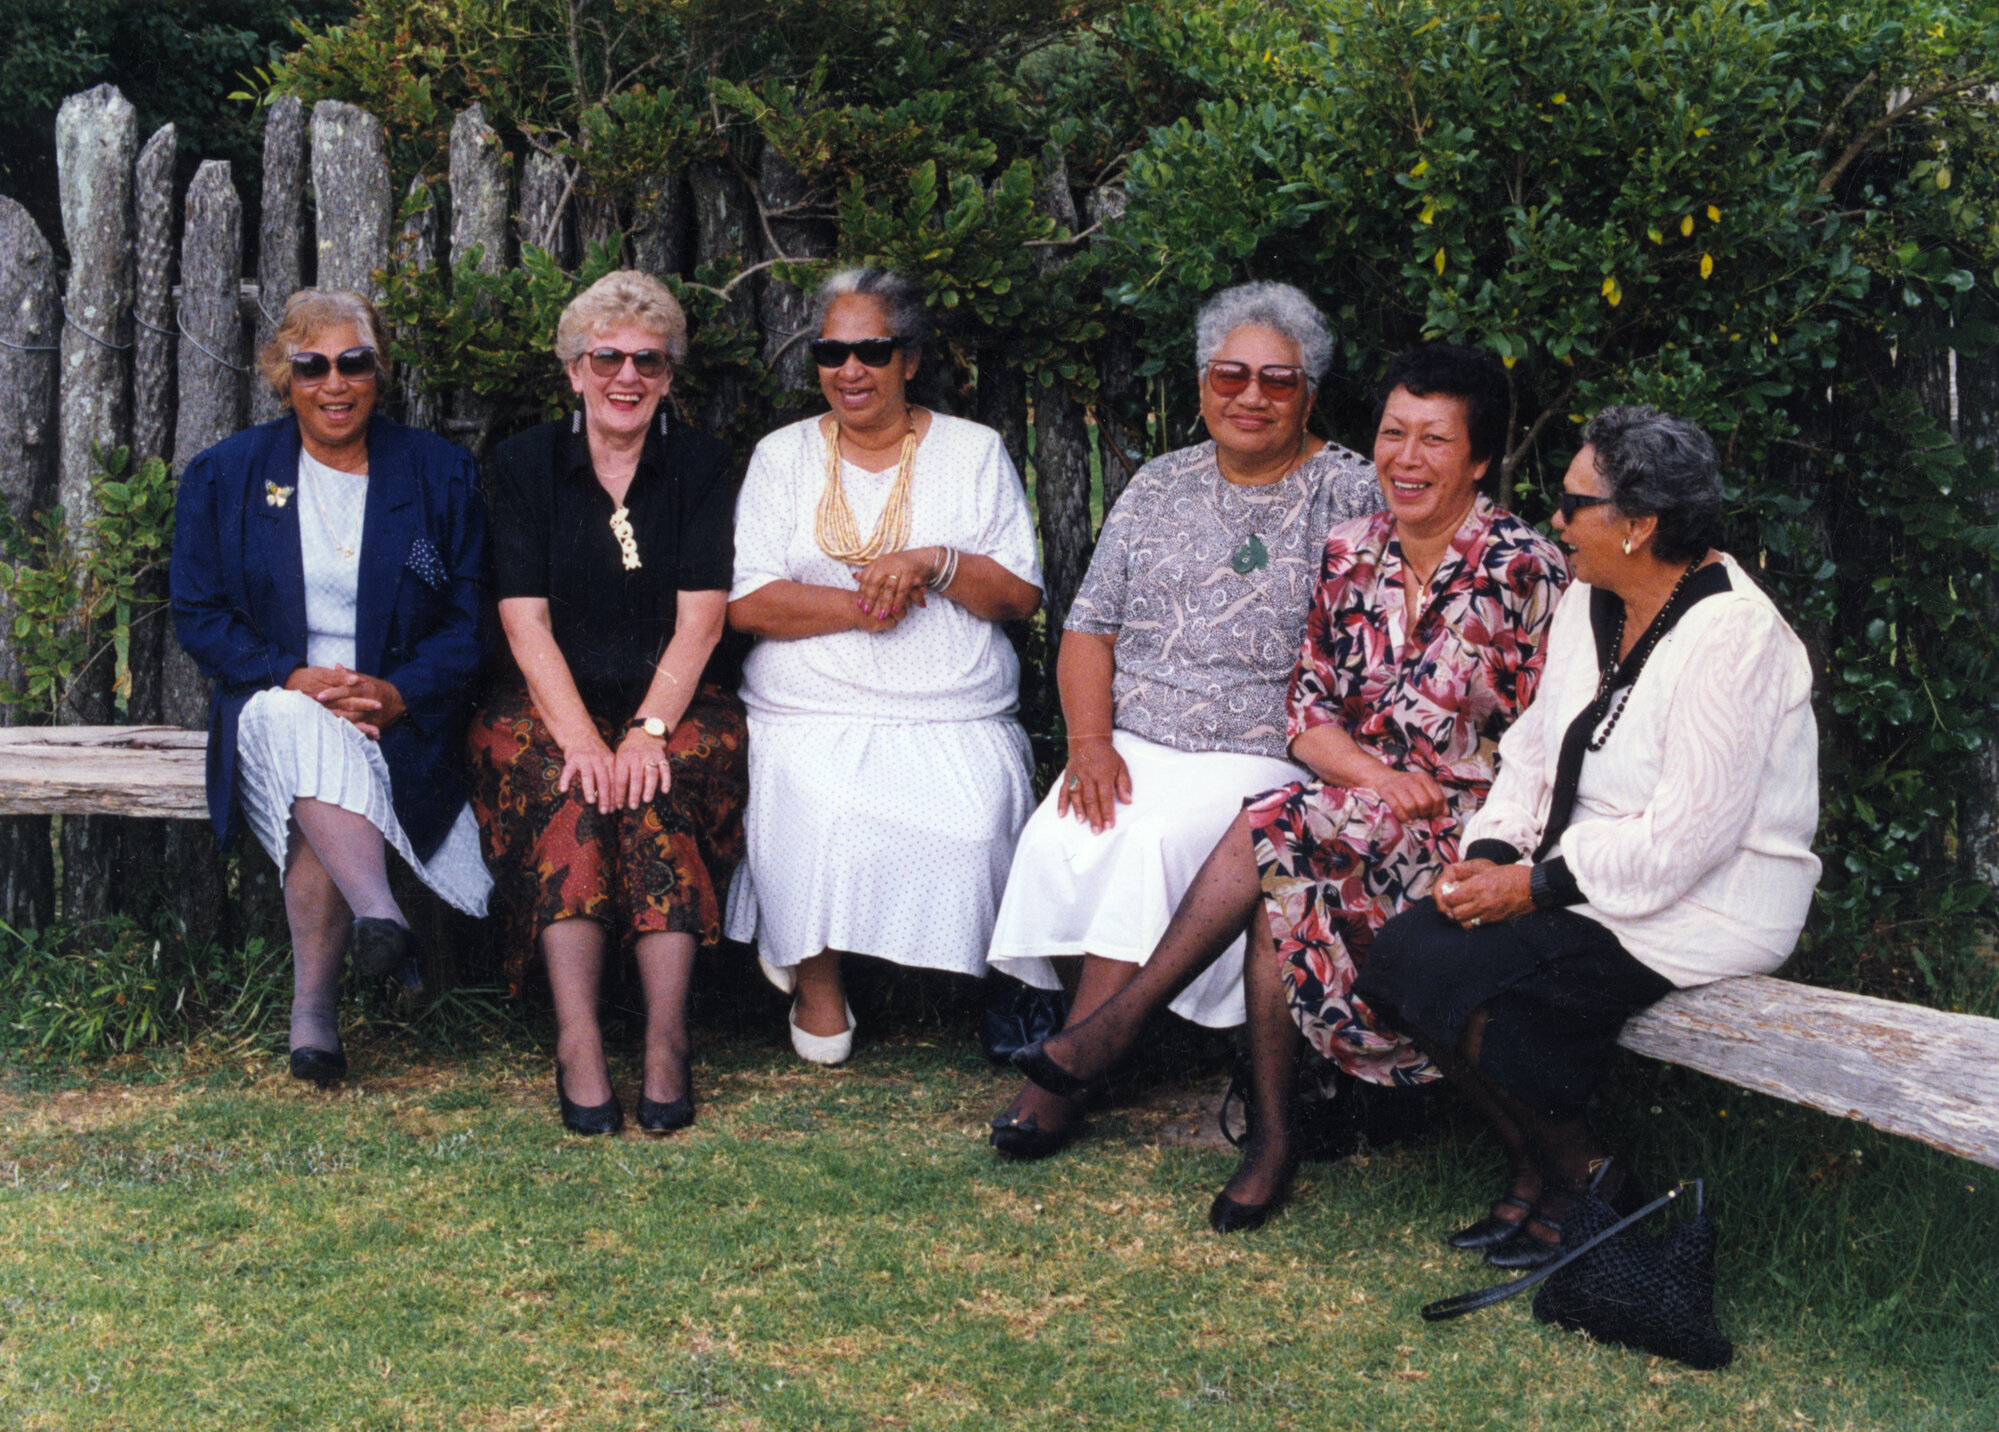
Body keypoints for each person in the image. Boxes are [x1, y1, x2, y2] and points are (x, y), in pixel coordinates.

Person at [1005, 343, 1569, 1233]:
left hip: (1477, 824)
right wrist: (1376, 777)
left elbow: (1551, 740)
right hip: (1361, 801)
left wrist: (1459, 814)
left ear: (1480, 459)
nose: (1405, 459)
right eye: (1392, 434)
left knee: (1279, 834)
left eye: (1433, 441)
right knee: (1285, 848)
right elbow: (1307, 716)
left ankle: (1135, 1041)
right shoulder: (1351, 552)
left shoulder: (1526, 568)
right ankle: (1269, 1131)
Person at [1355, 405, 1820, 1268]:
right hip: (1593, 878)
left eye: (1572, 505)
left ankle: (1592, 1184)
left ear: (1639, 526)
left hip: (1713, 901)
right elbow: (1533, 747)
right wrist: (1492, 855)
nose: (1554, 521)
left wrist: (1531, 889)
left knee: (1485, 983)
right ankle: (1543, 1169)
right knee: (1403, 959)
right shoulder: (1590, 600)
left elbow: (1690, 837)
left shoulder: (1733, 635)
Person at [985, 281, 1380, 1159]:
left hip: (1266, 748)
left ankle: (1075, 1066)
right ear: (1203, 383)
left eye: (1277, 380)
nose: (1250, 396)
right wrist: (1088, 744)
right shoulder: (1159, 484)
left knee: (1154, 839)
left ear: (1309, 390)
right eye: (1230, 375)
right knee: (1076, 829)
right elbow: (1089, 626)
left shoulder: (1351, 493)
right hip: (1133, 740)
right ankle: (1094, 1042)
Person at [171, 287, 490, 1088]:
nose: (335, 384)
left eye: (355, 363)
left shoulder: (439, 474)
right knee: (289, 719)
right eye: (312, 367)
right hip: (273, 702)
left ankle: (312, 1015)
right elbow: (199, 613)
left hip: (399, 715)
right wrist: (290, 674)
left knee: (314, 768)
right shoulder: (227, 477)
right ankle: (382, 916)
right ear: (284, 376)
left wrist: (396, 691)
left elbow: (469, 621)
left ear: (378, 372)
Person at [726, 267, 1043, 1065]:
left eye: (871, 349)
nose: (850, 370)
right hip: (812, 711)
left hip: (950, 710)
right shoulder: (781, 456)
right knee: (821, 806)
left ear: (910, 358)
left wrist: (935, 563)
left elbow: (1016, 595)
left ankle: (1000, 988)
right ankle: (816, 976)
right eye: (832, 352)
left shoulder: (973, 451)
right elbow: (750, 603)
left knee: (972, 831)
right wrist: (869, 603)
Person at [467, 270, 746, 1135]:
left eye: (649, 363)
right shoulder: (521, 465)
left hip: (677, 696)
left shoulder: (699, 466)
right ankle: (579, 1042)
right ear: (574, 369)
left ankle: (667, 1042)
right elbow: (524, 620)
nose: (627, 377)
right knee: (573, 788)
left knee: (654, 784)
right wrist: (587, 740)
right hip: (543, 700)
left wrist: (647, 731)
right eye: (607, 358)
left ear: (669, 378)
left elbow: (702, 619)